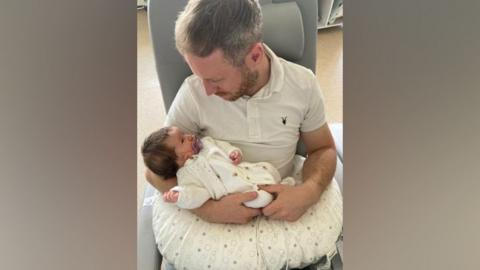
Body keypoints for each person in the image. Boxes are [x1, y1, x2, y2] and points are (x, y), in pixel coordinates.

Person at [146, 0, 337, 225]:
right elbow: (154, 172)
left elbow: (323, 148)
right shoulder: (193, 93)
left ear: (255, 56)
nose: (206, 90)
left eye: (215, 79)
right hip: (217, 210)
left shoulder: (303, 84)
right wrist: (209, 210)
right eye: (199, 77)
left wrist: (309, 191)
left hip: (281, 204)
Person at [142, 126, 295, 209]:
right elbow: (196, 195)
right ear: (177, 158)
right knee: (259, 198)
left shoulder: (206, 144)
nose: (189, 136)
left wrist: (233, 152)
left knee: (269, 168)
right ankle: (278, 191)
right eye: (183, 140)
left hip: (246, 170)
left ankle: (280, 184)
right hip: (238, 191)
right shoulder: (186, 175)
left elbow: (222, 146)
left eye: (185, 134)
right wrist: (180, 195)